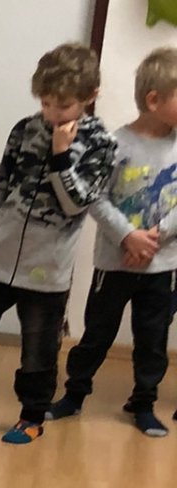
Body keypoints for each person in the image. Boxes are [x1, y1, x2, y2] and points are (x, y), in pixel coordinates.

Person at [0, 43, 117, 445]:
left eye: (63, 106)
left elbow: (76, 203)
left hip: (48, 270)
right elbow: (0, 186)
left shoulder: (101, 143)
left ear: (90, 97)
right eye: (45, 103)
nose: (52, 114)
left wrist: (61, 155)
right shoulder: (24, 129)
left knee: (38, 352)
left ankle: (31, 416)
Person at [48, 46, 177, 437]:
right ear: (153, 100)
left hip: (163, 264)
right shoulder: (113, 144)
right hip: (114, 262)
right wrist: (127, 236)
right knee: (96, 334)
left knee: (152, 340)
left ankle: (143, 402)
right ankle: (74, 394)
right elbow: (95, 198)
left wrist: (156, 237)